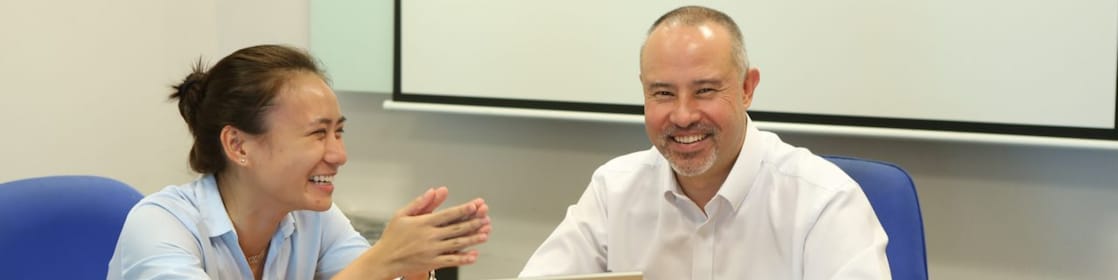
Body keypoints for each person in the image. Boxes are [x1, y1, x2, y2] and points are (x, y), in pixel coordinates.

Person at [519, 6, 890, 280]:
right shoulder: (612, 190)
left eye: (705, 90)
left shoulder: (824, 201)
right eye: (663, 93)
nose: (682, 116)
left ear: (747, 88)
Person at [108, 45, 491, 280]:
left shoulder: (314, 218)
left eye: (338, 132)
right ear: (238, 145)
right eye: (317, 134)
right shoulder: (160, 225)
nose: (339, 155)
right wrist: (379, 262)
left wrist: (410, 269)